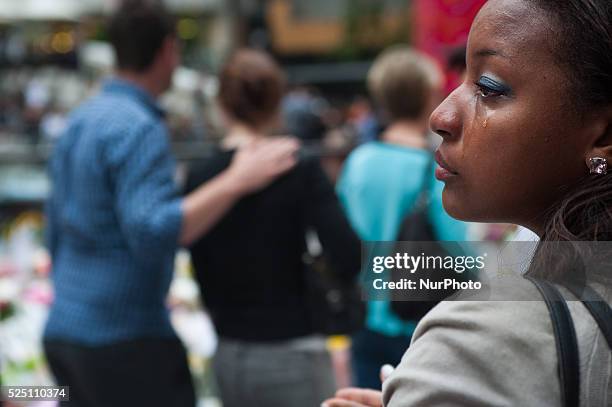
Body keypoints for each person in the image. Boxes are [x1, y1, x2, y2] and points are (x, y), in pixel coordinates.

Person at [324, 0, 612, 405]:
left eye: (489, 88)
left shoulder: (478, 338)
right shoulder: (426, 168)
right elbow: (459, 250)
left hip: (377, 313)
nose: (441, 116)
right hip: (416, 308)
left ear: (603, 133)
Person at [43, 2, 298, 406]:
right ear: (167, 51)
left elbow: (53, 224)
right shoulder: (138, 126)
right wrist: (236, 180)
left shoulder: (81, 118)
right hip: (124, 339)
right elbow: (154, 231)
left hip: (64, 332)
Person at [184, 48, 362, 407]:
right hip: (294, 349)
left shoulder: (201, 176)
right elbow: (347, 253)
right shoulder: (298, 168)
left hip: (229, 352)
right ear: (277, 100)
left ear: (222, 103)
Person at [336, 46, 468, 390]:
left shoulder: (358, 161)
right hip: (420, 322)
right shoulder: (435, 166)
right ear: (428, 96)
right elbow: (462, 252)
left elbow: (344, 236)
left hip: (365, 317)